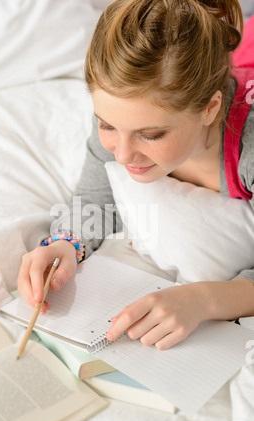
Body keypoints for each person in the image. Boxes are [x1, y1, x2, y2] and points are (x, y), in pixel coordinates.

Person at [18, 0, 254, 350]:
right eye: (106, 125)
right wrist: (65, 242)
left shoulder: (247, 153)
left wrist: (205, 299)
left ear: (210, 109)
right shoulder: (125, 110)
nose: (122, 154)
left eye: (151, 135)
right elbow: (95, 199)